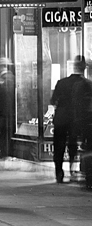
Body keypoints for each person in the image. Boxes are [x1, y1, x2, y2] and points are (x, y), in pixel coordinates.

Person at [48, 55, 89, 183]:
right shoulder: (86, 84)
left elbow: (53, 101)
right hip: (75, 119)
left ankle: (59, 174)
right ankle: (72, 171)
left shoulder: (62, 82)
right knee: (73, 146)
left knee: (59, 147)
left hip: (61, 119)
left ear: (73, 67)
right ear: (84, 68)